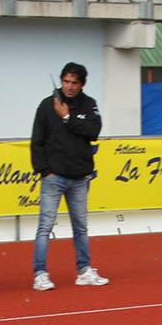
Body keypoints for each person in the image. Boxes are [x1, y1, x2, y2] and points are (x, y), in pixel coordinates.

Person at [30, 62, 108, 292]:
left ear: (82, 84)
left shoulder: (89, 104)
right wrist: (45, 170)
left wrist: (67, 117)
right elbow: (37, 141)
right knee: (45, 226)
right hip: (53, 177)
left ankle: (84, 270)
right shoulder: (46, 105)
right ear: (61, 81)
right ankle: (40, 273)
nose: (70, 86)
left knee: (81, 227)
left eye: (74, 82)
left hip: (80, 177)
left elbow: (93, 132)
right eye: (66, 81)